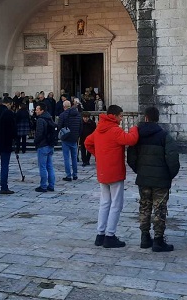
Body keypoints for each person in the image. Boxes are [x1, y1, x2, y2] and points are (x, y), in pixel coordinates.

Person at [85, 105, 139, 249]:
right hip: (115, 171)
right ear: (114, 116)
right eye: (120, 116)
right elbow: (131, 140)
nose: (121, 119)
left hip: (103, 171)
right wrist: (134, 128)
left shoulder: (99, 129)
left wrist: (99, 155)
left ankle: (100, 234)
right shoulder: (115, 130)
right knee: (116, 204)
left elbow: (87, 142)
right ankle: (110, 235)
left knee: (104, 203)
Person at [127, 106, 180, 252]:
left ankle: (144, 237)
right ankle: (158, 240)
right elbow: (173, 159)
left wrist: (140, 170)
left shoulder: (137, 136)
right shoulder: (164, 136)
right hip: (161, 180)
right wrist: (169, 175)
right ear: (157, 118)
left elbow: (131, 157)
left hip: (144, 178)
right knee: (160, 209)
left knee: (144, 207)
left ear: (145, 118)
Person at [33, 102, 56, 192]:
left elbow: (39, 133)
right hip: (50, 144)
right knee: (49, 166)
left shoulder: (40, 120)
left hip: (43, 145)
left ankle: (43, 186)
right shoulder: (49, 118)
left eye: (37, 109)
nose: (35, 111)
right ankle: (51, 185)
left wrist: (35, 141)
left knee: (42, 166)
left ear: (42, 110)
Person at [58, 100, 82, 181]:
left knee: (66, 158)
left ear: (64, 106)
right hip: (74, 138)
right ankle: (75, 174)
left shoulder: (62, 115)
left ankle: (68, 175)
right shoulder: (78, 114)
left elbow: (59, 126)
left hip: (66, 138)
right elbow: (81, 126)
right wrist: (78, 135)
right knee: (74, 157)